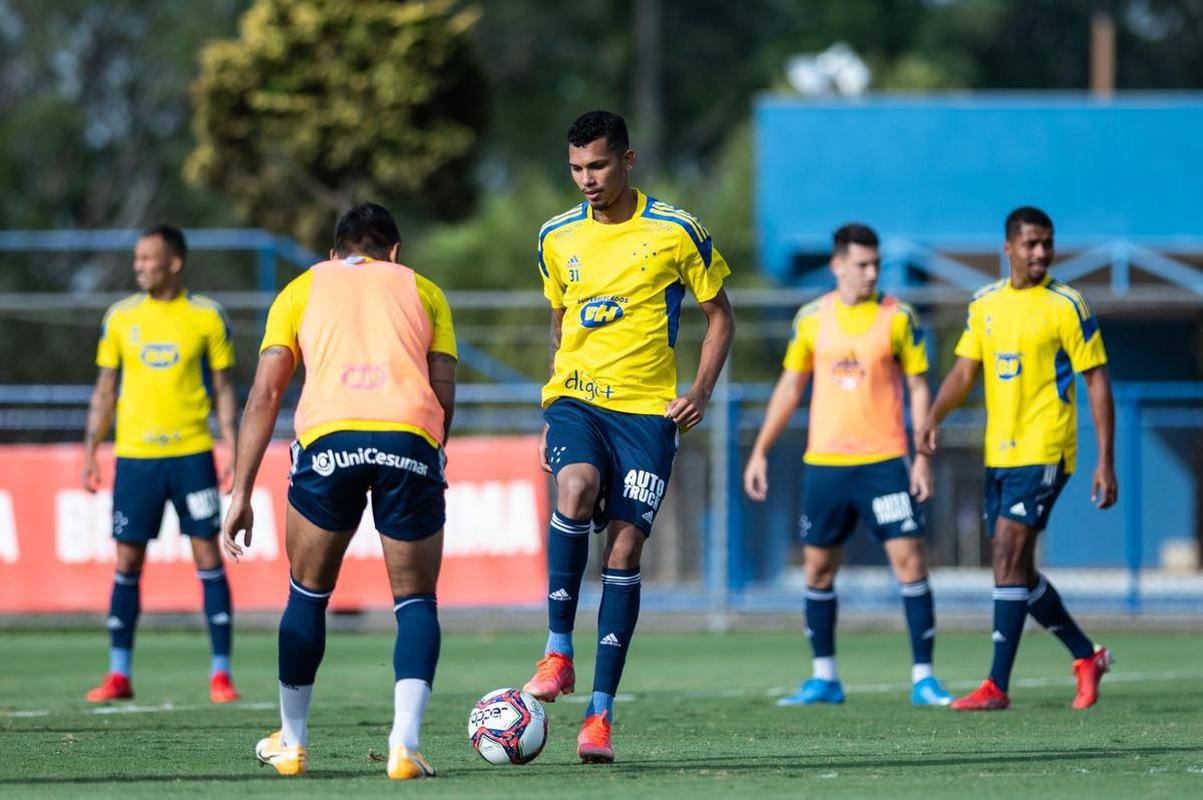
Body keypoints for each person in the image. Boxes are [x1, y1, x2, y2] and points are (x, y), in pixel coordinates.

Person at [521, 109, 735, 764]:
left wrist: (698, 391)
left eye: (598, 165)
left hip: (647, 414)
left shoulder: (675, 230)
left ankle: (598, 716)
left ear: (627, 160)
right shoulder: (555, 237)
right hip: (577, 400)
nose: (586, 179)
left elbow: (719, 315)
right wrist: (554, 404)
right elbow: (560, 322)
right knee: (575, 484)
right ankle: (558, 652)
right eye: (576, 168)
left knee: (623, 551)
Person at [221, 202, 456, 779]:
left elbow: (264, 396)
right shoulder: (425, 291)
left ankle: (293, 742)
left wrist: (240, 491)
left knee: (307, 593)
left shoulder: (301, 288)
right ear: (394, 253)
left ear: (335, 253)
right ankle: (404, 745)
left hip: (330, 439)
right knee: (416, 600)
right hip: (408, 434)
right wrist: (428, 454)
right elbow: (444, 390)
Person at [743, 223, 954, 707]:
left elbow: (920, 388)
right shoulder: (811, 318)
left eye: (876, 264)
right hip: (825, 464)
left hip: (883, 461)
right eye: (862, 264)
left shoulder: (900, 318)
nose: (871, 272)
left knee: (911, 562)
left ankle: (924, 677)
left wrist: (922, 456)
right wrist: (759, 450)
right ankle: (824, 678)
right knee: (817, 570)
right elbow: (790, 388)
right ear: (838, 265)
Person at [917, 206, 1117, 711]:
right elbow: (964, 372)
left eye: (1047, 243)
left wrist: (1105, 461)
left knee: (1007, 558)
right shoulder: (984, 303)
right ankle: (1085, 655)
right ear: (1008, 248)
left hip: (1047, 447)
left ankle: (996, 686)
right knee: (1015, 572)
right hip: (999, 452)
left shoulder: (1068, 304)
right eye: (1030, 243)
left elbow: (1097, 381)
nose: (1041, 252)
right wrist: (933, 417)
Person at [83, 224, 241, 705]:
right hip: (135, 458)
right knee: (127, 561)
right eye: (137, 258)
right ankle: (119, 674)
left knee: (208, 556)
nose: (139, 266)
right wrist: (91, 448)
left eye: (148, 258)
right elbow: (106, 389)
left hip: (192, 453)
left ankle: (220, 675)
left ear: (174, 262)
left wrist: (232, 444)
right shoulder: (120, 317)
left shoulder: (207, 316)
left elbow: (224, 390)